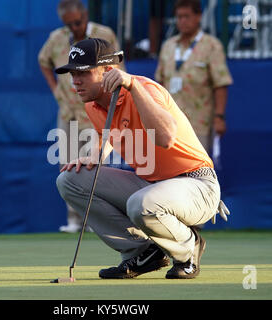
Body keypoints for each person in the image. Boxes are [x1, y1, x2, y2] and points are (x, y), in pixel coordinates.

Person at [55, 38, 228, 280]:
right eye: (72, 73)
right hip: (152, 185)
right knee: (69, 179)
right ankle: (144, 252)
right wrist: (94, 155)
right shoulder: (93, 106)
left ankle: (189, 248)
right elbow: (110, 134)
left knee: (142, 203)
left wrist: (133, 86)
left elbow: (166, 138)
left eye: (83, 72)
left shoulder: (145, 89)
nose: (75, 81)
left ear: (108, 71)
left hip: (197, 184)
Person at [38, 0, 123, 233]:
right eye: (69, 24)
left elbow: (118, 67)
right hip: (68, 111)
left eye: (77, 22)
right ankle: (74, 220)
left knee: (97, 164)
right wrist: (56, 90)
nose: (74, 27)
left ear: (85, 15)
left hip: (95, 108)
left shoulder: (103, 34)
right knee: (67, 163)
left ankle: (97, 219)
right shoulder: (57, 37)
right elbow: (43, 60)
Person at [155, 0, 233, 153]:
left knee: (196, 170)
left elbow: (220, 84)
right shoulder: (168, 46)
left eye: (187, 16)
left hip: (199, 123)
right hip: (169, 123)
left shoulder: (211, 45)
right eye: (179, 17)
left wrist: (219, 117)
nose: (182, 21)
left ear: (198, 17)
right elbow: (160, 82)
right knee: (169, 171)